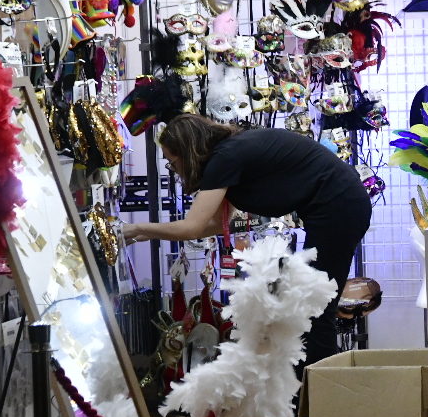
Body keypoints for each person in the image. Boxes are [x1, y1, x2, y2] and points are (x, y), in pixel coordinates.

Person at [125, 114, 372, 368]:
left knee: (316, 308)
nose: (174, 170)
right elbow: (212, 225)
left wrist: (137, 227)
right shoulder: (229, 155)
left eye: (172, 162)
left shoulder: (225, 159)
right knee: (309, 306)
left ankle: (326, 394)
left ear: (186, 152)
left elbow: (192, 227)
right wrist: (145, 233)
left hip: (339, 206)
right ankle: (313, 388)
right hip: (339, 205)